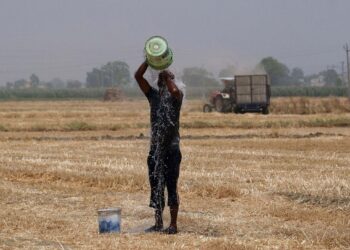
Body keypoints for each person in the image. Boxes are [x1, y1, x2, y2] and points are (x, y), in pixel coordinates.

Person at [134, 61, 183, 234]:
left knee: (171, 185)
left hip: (172, 149)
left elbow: (175, 90)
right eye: (161, 81)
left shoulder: (176, 97)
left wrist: (167, 76)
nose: (163, 83)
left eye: (166, 80)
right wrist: (148, 60)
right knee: (156, 186)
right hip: (155, 151)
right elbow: (138, 77)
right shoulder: (153, 96)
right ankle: (158, 222)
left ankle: (173, 225)